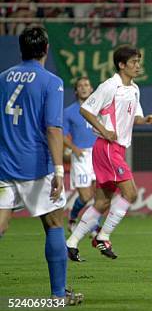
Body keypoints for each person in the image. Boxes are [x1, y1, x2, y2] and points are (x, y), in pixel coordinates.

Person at [0, 26, 83, 304]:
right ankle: (58, 295)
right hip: (36, 166)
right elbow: (53, 129)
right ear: (46, 49)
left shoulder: (2, 78)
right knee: (54, 223)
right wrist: (59, 170)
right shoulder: (51, 81)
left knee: (0, 225)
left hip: (3, 165)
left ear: (20, 48)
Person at [66, 45, 152, 261]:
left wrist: (145, 120)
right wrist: (105, 130)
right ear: (121, 65)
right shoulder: (109, 86)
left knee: (102, 202)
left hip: (118, 149)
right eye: (133, 62)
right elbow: (85, 109)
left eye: (138, 62)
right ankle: (103, 236)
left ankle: (71, 243)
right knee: (131, 193)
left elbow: (134, 117)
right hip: (107, 148)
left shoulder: (134, 89)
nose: (138, 66)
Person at [63, 77, 99, 233]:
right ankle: (73, 216)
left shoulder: (99, 109)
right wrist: (74, 148)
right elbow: (61, 135)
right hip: (81, 156)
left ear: (92, 89)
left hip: (98, 156)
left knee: (100, 195)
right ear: (76, 90)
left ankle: (94, 226)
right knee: (85, 196)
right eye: (80, 86)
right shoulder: (69, 111)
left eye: (87, 85)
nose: (84, 88)